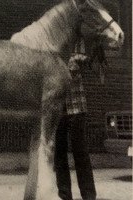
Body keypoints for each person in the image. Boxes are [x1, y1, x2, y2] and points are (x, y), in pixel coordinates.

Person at [54, 41, 97, 200]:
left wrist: (75, 60)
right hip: (58, 108)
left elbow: (85, 60)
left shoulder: (77, 41)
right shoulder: (54, 44)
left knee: (81, 153)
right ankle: (65, 195)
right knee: (59, 154)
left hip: (76, 107)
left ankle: (89, 196)